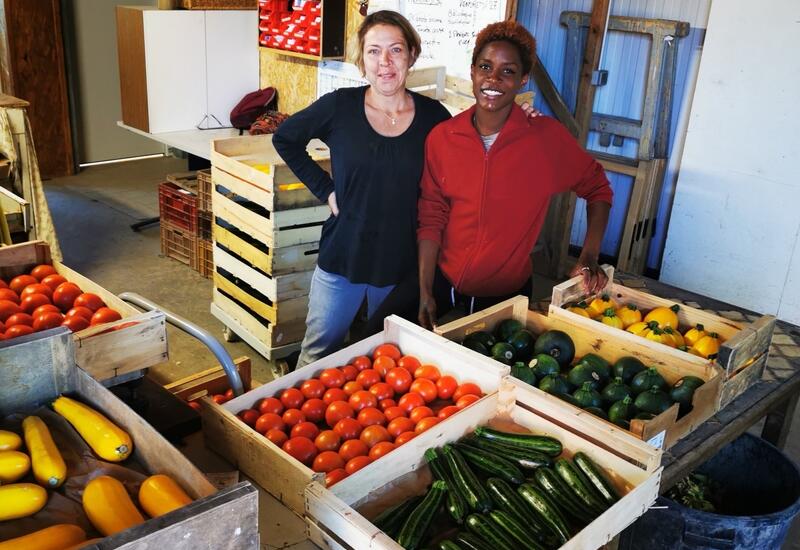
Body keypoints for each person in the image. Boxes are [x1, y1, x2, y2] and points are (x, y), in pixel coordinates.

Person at [273, 11, 451, 367]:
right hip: (344, 257)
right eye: (373, 51)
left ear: (412, 54)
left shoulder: (435, 119)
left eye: (396, 50)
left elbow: (472, 152)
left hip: (401, 264)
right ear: (361, 61)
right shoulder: (340, 107)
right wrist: (326, 190)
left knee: (387, 360)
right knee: (318, 354)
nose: (384, 62)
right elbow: (285, 138)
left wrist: (522, 119)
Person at [417, 20, 614, 329]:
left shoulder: (545, 139)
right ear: (472, 71)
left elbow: (598, 188)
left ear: (523, 79)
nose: (493, 78)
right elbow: (432, 214)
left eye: (508, 71)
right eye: (485, 66)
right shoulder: (443, 137)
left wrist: (590, 254)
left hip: (506, 298)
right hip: (444, 286)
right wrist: (425, 289)